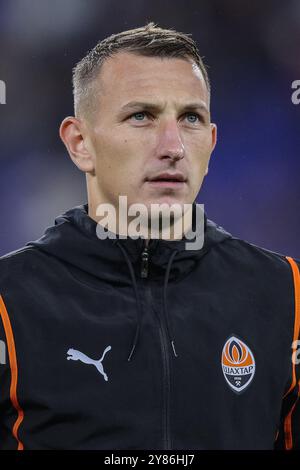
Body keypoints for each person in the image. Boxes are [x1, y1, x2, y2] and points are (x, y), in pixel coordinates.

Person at [0, 22, 299, 451]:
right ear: (80, 142)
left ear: (212, 143)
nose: (173, 145)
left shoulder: (288, 293)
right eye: (141, 116)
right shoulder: (9, 300)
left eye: (191, 118)